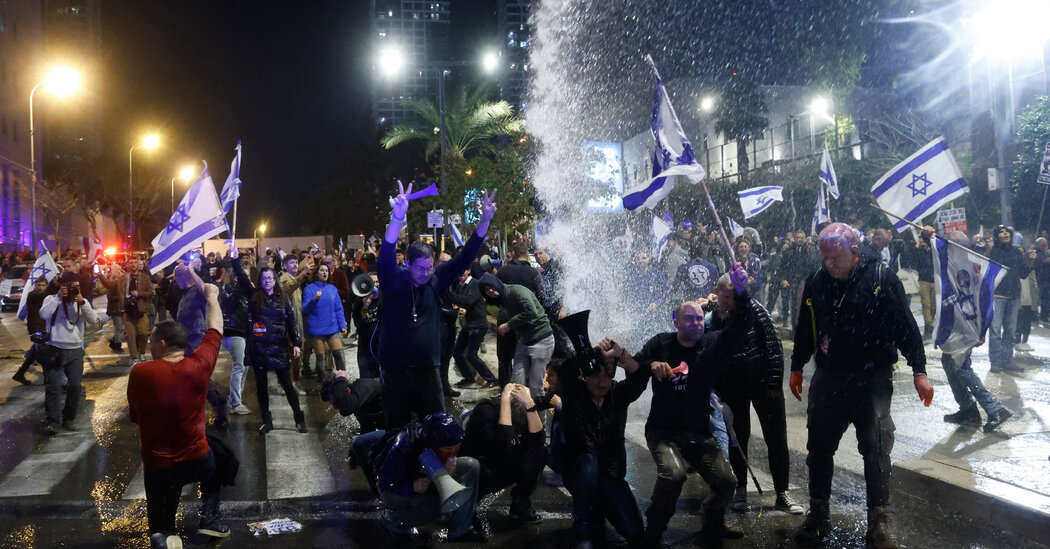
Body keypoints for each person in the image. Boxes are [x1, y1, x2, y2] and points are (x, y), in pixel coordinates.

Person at [789, 222, 933, 548]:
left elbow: (906, 327)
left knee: (877, 449)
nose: (829, 263)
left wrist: (919, 371)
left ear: (853, 251)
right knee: (819, 450)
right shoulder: (817, 281)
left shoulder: (882, 278)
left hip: (872, 379)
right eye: (824, 257)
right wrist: (797, 365)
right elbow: (806, 326)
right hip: (829, 378)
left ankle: (878, 520)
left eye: (835, 257)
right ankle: (818, 513)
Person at [609, 264, 750, 548]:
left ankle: (712, 521)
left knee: (726, 480)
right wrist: (649, 365)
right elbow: (635, 369)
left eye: (700, 320)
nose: (697, 324)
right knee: (673, 475)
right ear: (676, 321)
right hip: (663, 432)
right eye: (689, 320)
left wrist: (743, 293)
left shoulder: (712, 343)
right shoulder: (661, 343)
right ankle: (655, 528)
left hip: (699, 433)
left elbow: (742, 325)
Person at [377, 182, 496, 429]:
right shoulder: (392, 280)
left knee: (436, 428)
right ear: (408, 264)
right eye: (420, 268)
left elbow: (465, 256)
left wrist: (484, 221)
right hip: (394, 370)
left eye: (429, 267)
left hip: (427, 370)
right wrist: (397, 218)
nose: (425, 272)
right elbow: (386, 251)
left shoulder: (436, 279)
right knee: (396, 429)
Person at [127, 283, 232, 548]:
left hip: (158, 464)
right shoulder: (199, 365)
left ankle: (164, 534)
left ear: (161, 344)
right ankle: (210, 517)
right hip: (196, 459)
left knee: (160, 519)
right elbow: (215, 329)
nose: (150, 345)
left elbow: (135, 416)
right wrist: (213, 297)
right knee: (220, 456)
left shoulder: (141, 372)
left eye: (151, 341)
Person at [708, 273, 802, 516]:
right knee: (738, 440)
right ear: (716, 292)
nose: (730, 301)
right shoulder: (712, 317)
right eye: (725, 296)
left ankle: (782, 492)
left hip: (763, 384)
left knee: (776, 438)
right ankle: (741, 490)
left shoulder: (754, 310)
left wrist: (773, 380)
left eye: (733, 296)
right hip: (733, 387)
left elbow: (772, 345)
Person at [553, 312, 649, 549]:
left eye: (608, 372)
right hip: (580, 471)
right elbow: (565, 371)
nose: (602, 381)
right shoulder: (575, 394)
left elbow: (639, 378)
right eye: (595, 374)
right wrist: (589, 354)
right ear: (584, 376)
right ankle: (582, 521)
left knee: (635, 532)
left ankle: (599, 506)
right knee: (589, 464)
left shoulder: (618, 393)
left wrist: (621, 356)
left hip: (611, 475)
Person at [370, 411, 487, 543]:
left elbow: (450, 453)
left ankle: (461, 530)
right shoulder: (404, 445)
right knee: (434, 506)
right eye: (448, 449)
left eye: (456, 447)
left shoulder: (450, 439)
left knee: (471, 465)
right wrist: (411, 487)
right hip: (396, 488)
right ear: (433, 444)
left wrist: (445, 466)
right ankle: (394, 521)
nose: (453, 451)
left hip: (425, 477)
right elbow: (384, 483)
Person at [938, 232, 1012, 432]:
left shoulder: (972, 267)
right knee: (950, 362)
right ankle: (968, 409)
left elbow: (985, 301)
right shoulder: (956, 262)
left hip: (966, 326)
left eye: (951, 243)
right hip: (957, 324)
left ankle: (994, 409)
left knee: (961, 368)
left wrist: (982, 331)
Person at [460, 383, 546, 524]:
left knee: (540, 452)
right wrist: (505, 400)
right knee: (476, 466)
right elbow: (502, 445)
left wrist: (530, 404)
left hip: (502, 464)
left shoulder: (526, 408)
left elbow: (538, 442)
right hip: (480, 469)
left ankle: (520, 504)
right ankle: (466, 508)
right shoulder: (486, 410)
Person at [247, 266, 307, 434]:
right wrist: (235, 258)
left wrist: (296, 343)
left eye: (270, 277)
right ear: (260, 280)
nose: (267, 280)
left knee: (288, 385)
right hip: (259, 349)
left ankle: (299, 420)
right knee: (261, 387)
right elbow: (242, 279)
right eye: (264, 277)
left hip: (279, 348)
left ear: (275, 280)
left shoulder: (283, 299)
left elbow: (291, 322)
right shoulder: (255, 297)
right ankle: (267, 421)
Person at [38, 272, 98, 436]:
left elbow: (93, 319)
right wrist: (58, 297)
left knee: (75, 387)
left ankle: (68, 418)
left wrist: (82, 302)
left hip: (75, 350)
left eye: (76, 286)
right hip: (54, 348)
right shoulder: (51, 299)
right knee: (54, 387)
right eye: (70, 286)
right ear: (61, 286)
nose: (73, 289)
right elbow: (43, 314)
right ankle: (52, 422)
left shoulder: (81, 301)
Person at [479, 274, 554, 399]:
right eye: (487, 290)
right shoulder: (504, 298)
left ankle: (539, 416)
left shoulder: (516, 291)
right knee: (515, 384)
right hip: (525, 341)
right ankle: (518, 414)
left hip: (542, 339)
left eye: (491, 287)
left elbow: (531, 311)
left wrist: (508, 325)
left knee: (535, 387)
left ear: (496, 283)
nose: (490, 291)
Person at [987, 225, 1032, 374]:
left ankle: (1007, 360)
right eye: (1001, 232)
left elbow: (1023, 274)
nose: (1005, 233)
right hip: (998, 296)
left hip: (1013, 296)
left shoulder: (1017, 253)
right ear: (997, 236)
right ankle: (995, 361)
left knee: (1011, 331)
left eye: (1007, 231)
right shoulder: (994, 252)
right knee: (995, 330)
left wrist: (1030, 261)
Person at [448, 268, 498, 389]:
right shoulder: (461, 285)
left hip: (478, 325)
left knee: (471, 354)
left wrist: (449, 295)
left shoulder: (474, 284)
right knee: (457, 351)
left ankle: (491, 379)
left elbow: (468, 301)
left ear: (469, 271)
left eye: (463, 270)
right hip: (469, 324)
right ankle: (468, 377)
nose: (460, 273)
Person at [221, 245, 254, 415]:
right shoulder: (228, 290)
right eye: (242, 277)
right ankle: (235, 403)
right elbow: (229, 304)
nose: (245, 280)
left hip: (245, 332)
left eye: (247, 278)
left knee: (245, 366)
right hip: (233, 332)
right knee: (239, 366)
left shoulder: (249, 292)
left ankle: (236, 398)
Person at [303, 263, 348, 376]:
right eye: (322, 270)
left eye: (327, 271)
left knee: (338, 354)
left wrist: (342, 325)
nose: (325, 273)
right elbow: (305, 309)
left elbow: (338, 309)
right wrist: (315, 299)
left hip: (332, 327)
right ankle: (322, 384)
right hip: (316, 329)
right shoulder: (309, 289)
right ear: (316, 273)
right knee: (320, 357)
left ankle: (341, 379)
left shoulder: (332, 289)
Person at [279, 251, 316, 382]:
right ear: (284, 266)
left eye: (295, 262)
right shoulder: (285, 277)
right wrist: (303, 273)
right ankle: (290, 383)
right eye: (291, 262)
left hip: (297, 322)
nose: (294, 264)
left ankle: (293, 381)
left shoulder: (294, 277)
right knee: (292, 354)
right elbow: (287, 288)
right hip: (289, 324)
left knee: (296, 354)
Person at [13, 277, 50, 385]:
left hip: (42, 327)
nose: (41, 287)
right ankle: (48, 378)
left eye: (43, 285)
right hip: (35, 328)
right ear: (35, 285)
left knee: (35, 352)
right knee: (43, 351)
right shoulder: (33, 295)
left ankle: (19, 374)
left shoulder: (45, 295)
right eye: (39, 285)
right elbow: (42, 296)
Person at [322, 370, 385, 434]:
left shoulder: (362, 386)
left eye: (334, 400)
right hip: (386, 426)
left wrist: (340, 378)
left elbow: (345, 407)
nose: (335, 407)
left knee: (358, 442)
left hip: (393, 426)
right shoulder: (354, 398)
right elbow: (367, 427)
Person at [350, 272, 382, 379]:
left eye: (377, 282)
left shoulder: (384, 300)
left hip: (381, 349)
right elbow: (358, 325)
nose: (375, 285)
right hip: (365, 349)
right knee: (366, 382)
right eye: (372, 282)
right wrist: (364, 307)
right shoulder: (359, 303)